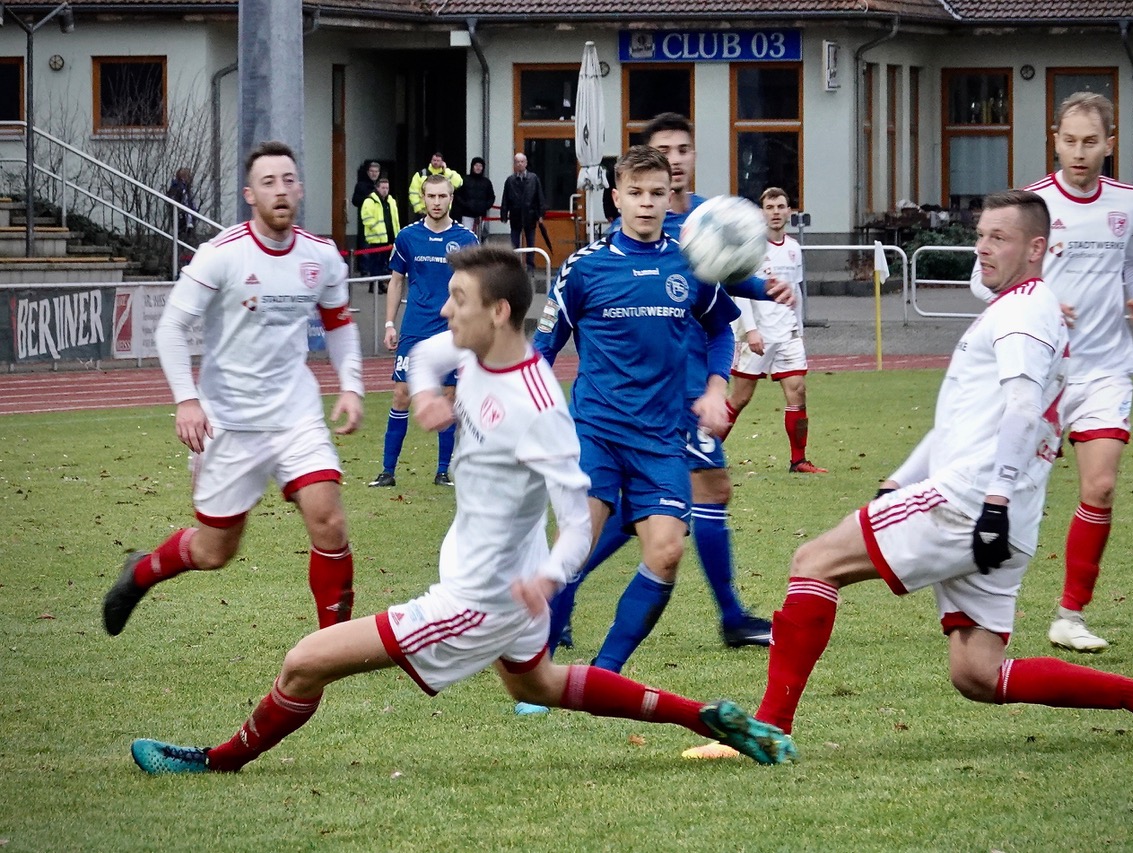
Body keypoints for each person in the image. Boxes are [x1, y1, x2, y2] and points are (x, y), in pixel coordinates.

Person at [126, 245, 796, 775]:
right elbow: (423, 354)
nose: (445, 310)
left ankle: (214, 761)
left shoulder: (539, 412)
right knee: (540, 683)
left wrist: (552, 580)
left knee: (304, 661)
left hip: (475, 601)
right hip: (504, 585)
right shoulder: (477, 352)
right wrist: (422, 395)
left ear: (498, 312)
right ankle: (701, 716)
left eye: (457, 299)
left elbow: (574, 519)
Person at [684, 190, 1133, 761]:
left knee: (813, 563)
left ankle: (768, 730)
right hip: (1008, 519)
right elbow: (966, 421)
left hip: (971, 502)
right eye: (980, 236)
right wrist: (900, 481)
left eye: (999, 238)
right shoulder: (1026, 310)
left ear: (1036, 248)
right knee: (978, 674)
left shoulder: (1024, 311)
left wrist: (992, 500)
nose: (983, 249)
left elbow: (1024, 409)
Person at [541, 115, 776, 684]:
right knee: (575, 548)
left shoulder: (689, 264)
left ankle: (605, 672)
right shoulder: (585, 268)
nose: (647, 204)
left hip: (662, 436)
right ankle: (538, 669)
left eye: (658, 193)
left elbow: (720, 327)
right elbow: (542, 347)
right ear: (614, 197)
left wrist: (717, 387)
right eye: (636, 193)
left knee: (666, 552)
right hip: (596, 430)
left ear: (670, 196)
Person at [102, 140, 364, 637]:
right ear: (250, 195)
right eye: (268, 182)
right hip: (230, 422)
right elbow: (172, 328)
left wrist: (350, 386)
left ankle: (334, 647)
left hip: (296, 415)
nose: (281, 190)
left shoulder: (322, 256)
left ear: (300, 188)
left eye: (288, 180)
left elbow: (339, 322)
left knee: (328, 520)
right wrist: (186, 399)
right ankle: (139, 572)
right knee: (213, 551)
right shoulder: (221, 255)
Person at [969, 92, 1133, 653]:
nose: (1080, 152)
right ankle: (979, 595)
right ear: (1055, 140)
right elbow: (983, 282)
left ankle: (1070, 615)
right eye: (1070, 141)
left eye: (1091, 142)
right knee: (1011, 489)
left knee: (1099, 486)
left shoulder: (1129, 201)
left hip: (1105, 370)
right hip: (1041, 376)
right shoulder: (1032, 206)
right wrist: (1039, 298)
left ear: (1110, 145)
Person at [370, 173, 478, 489]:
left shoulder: (467, 239)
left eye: (442, 196)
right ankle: (387, 471)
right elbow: (396, 280)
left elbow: (475, 284)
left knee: (449, 396)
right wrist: (390, 323)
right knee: (401, 394)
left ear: (451, 199)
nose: (436, 202)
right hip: (415, 328)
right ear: (422, 197)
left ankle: (443, 471)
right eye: (431, 196)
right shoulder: (407, 237)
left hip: (451, 329)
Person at [726, 187, 827, 475]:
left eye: (781, 206)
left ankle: (799, 460)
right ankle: (704, 455)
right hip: (757, 336)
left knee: (798, 392)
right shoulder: (751, 248)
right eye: (769, 207)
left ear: (789, 212)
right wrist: (751, 331)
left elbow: (795, 291)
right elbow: (742, 293)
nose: (775, 212)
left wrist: (800, 327)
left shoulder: (794, 249)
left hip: (788, 335)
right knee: (739, 398)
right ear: (762, 212)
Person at [500, 152, 546, 272]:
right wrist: (504, 214)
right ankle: (515, 266)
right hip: (515, 215)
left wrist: (541, 214)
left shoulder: (533, 178)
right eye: (517, 162)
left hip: (530, 215)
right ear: (514, 164)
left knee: (531, 242)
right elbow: (505, 198)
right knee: (514, 242)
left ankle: (530, 265)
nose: (520, 164)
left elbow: (539, 196)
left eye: (522, 161)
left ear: (526, 163)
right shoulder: (510, 180)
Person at [359, 176, 400, 288]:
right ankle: (374, 286)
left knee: (384, 264)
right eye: (383, 188)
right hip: (377, 239)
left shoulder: (391, 201)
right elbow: (367, 218)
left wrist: (397, 234)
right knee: (375, 264)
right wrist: (378, 230)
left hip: (389, 238)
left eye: (387, 188)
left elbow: (395, 220)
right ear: (377, 188)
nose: (385, 190)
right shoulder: (370, 201)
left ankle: (381, 285)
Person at [454, 156, 496, 238]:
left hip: (481, 216)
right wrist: (466, 205)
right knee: (466, 236)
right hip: (467, 215)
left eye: (480, 166)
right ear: (472, 166)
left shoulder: (486, 182)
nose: (478, 168)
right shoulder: (464, 180)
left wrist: (485, 206)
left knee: (479, 236)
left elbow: (491, 197)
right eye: (476, 165)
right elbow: (458, 196)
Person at [350, 160, 381, 266]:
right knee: (365, 245)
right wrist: (367, 198)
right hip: (366, 222)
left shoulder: (381, 186)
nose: (374, 174)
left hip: (380, 223)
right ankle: (364, 268)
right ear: (368, 172)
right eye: (372, 171)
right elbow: (355, 201)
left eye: (376, 171)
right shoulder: (361, 185)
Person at [166, 167, 198, 243]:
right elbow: (174, 201)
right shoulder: (176, 187)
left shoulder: (186, 188)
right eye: (188, 176)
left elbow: (189, 202)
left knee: (187, 238)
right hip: (181, 218)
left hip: (187, 218)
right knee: (181, 238)